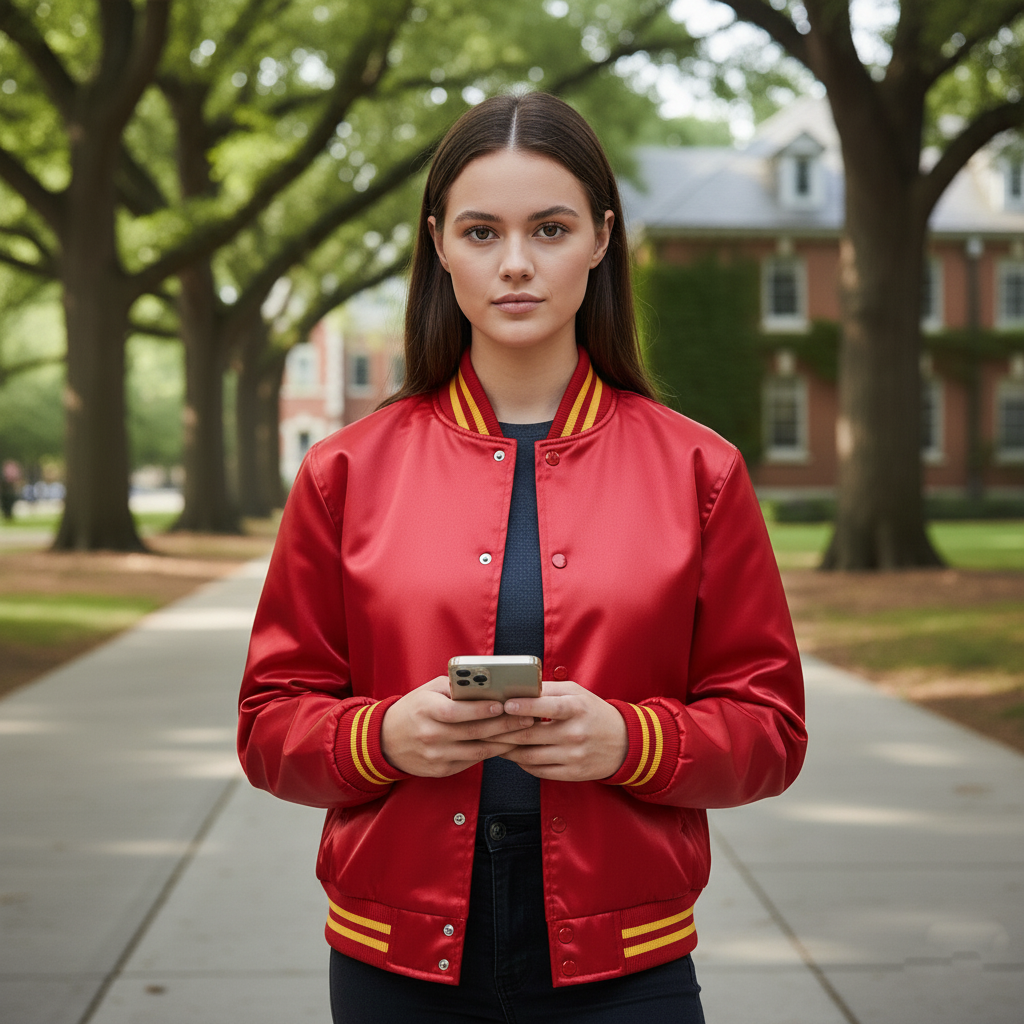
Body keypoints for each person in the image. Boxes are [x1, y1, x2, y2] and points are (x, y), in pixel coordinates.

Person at [238, 92, 806, 1023]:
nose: (514, 263)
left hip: (627, 960)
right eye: (480, 231)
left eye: (549, 229)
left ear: (601, 239)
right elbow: (269, 725)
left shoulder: (700, 471)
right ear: (438, 245)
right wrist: (382, 738)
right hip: (396, 959)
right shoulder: (344, 471)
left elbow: (771, 731)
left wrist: (631, 741)